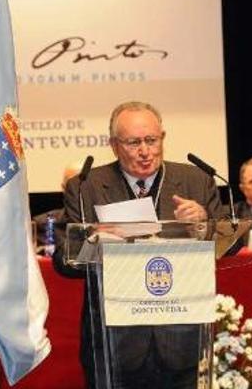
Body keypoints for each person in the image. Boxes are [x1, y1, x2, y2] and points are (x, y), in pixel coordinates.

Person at [56, 101, 223, 389]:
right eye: (133, 143)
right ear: (113, 145)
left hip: (183, 336)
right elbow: (64, 261)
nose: (145, 151)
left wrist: (204, 222)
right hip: (115, 342)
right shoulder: (86, 186)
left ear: (163, 138)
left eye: (151, 140)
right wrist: (95, 239)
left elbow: (233, 243)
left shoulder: (196, 181)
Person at [31, 160, 85, 254]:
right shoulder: (42, 225)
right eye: (73, 184)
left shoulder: (108, 223)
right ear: (63, 188)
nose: (79, 189)